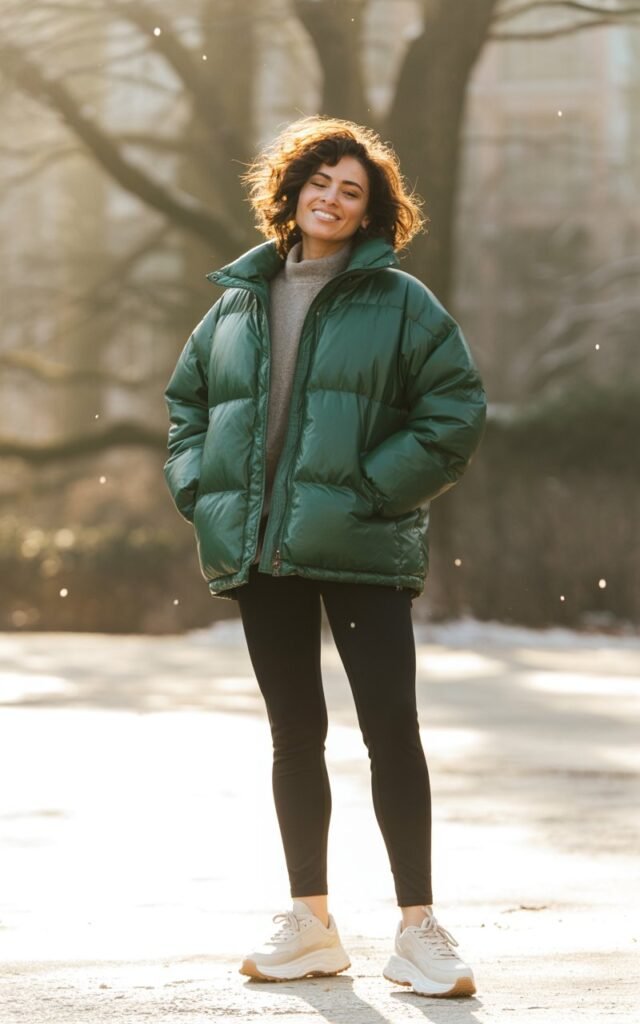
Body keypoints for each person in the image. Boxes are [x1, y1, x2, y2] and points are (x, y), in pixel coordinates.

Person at [163, 116, 486, 998]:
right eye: (322, 182)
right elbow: (186, 405)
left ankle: (420, 931)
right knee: (294, 737)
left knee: (392, 734)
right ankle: (311, 922)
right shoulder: (237, 300)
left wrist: (373, 491)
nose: (333, 199)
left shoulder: (402, 302)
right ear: (292, 189)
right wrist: (201, 489)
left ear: (371, 210)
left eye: (353, 189)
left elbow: (454, 408)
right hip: (264, 551)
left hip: (362, 547)